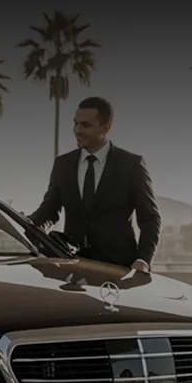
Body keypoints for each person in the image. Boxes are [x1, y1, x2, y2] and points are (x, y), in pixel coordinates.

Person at [27, 96, 162, 273]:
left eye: (85, 125)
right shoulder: (63, 164)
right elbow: (49, 211)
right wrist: (26, 223)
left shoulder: (132, 165)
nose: (78, 130)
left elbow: (150, 218)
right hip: (73, 267)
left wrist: (143, 260)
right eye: (76, 123)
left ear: (105, 127)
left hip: (118, 269)